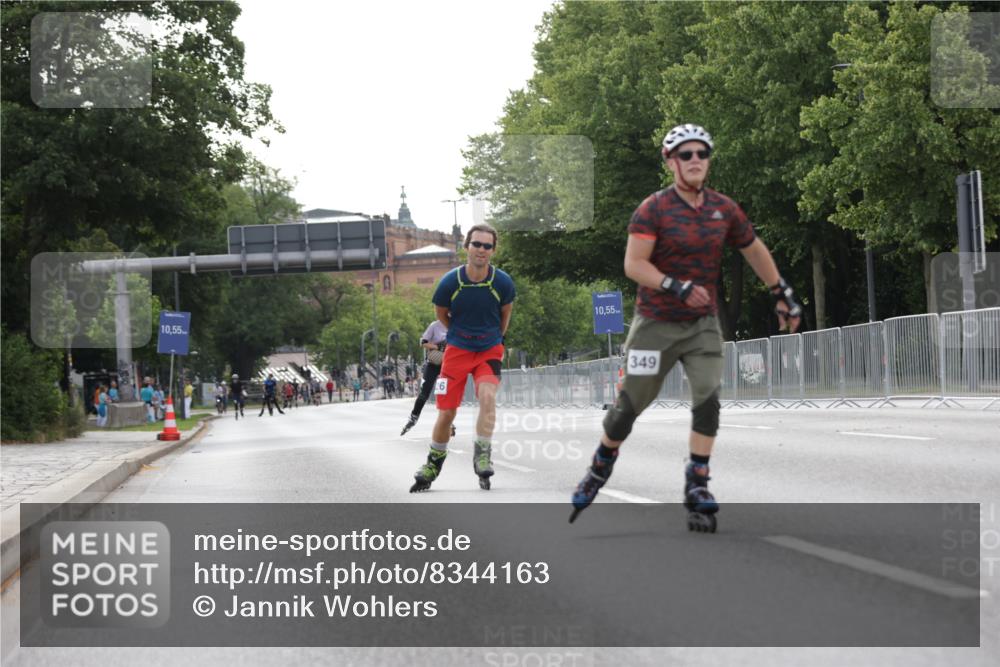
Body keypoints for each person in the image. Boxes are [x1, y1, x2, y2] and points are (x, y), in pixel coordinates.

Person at [569, 123, 802, 530]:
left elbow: (752, 248)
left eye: (702, 154)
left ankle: (697, 482)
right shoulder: (653, 209)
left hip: (702, 325)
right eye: (686, 154)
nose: (695, 161)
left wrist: (780, 291)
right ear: (671, 161)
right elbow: (634, 264)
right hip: (654, 325)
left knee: (708, 399)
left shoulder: (724, 209)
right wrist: (675, 285)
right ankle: (601, 463)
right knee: (628, 409)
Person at [410, 223, 515, 492]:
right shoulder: (450, 282)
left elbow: (505, 317)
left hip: (489, 349)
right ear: (466, 246)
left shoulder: (502, 282)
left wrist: (491, 338)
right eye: (476, 244)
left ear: (493, 250)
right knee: (446, 413)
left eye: (487, 245)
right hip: (456, 351)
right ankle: (433, 463)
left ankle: (482, 454)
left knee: (488, 397)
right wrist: (460, 334)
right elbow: (441, 314)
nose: (481, 250)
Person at [400, 319, 456, 439]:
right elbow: (423, 342)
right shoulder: (435, 325)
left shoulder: (457, 324)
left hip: (447, 366)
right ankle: (413, 417)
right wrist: (437, 346)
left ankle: (448, 422)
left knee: (445, 395)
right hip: (433, 364)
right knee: (424, 394)